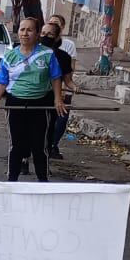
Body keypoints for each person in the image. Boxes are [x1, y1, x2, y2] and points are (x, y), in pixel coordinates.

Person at [0, 18, 67, 182]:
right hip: (15, 104)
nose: (25, 33)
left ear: (37, 34)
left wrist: (58, 100)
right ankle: (12, 181)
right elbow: (2, 80)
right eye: (22, 30)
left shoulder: (47, 54)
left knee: (39, 146)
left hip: (40, 105)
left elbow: (56, 77)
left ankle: (43, 182)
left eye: (29, 30)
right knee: (16, 145)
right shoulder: (10, 55)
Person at [40, 21, 75, 158]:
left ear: (56, 37)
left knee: (47, 130)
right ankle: (24, 159)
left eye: (49, 34)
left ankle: (45, 157)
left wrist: (74, 88)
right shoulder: (30, 52)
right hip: (30, 96)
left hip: (51, 98)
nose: (45, 37)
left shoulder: (63, 57)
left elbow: (65, 80)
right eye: (43, 33)